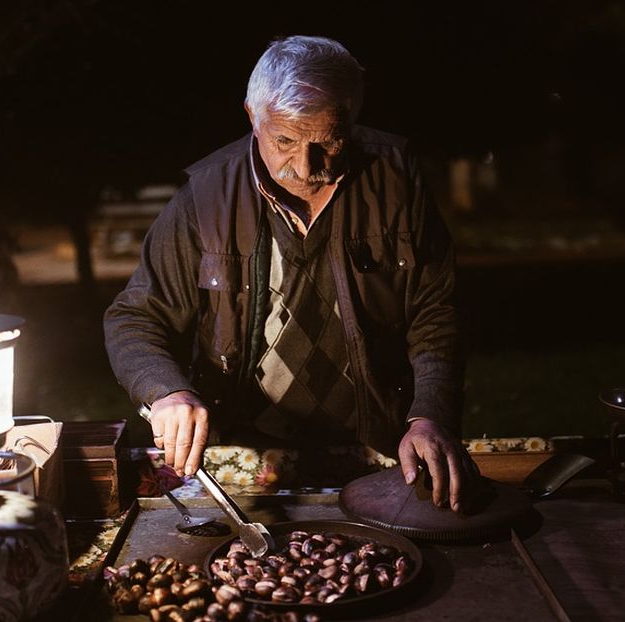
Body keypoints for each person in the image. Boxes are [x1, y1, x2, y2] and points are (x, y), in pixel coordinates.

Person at [104, 35, 473, 511]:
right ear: (251, 117)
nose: (304, 167)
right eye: (284, 141)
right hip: (244, 450)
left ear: (352, 122)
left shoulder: (397, 179)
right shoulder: (207, 196)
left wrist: (430, 414)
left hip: (384, 444)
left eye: (328, 142)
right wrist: (167, 391)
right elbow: (136, 316)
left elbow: (438, 311)